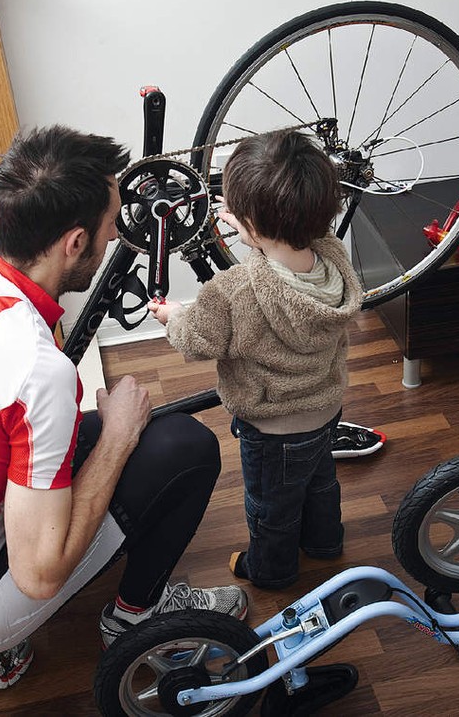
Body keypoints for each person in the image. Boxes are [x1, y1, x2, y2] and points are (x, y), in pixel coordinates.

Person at [0, 125, 247, 690]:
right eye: (111, 224)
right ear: (75, 243)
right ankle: (132, 619)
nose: (115, 236)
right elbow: (40, 575)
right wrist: (120, 435)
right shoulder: (34, 367)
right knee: (185, 446)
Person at [148, 129, 363, 589]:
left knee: (272, 507)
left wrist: (172, 316)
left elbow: (197, 342)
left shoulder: (233, 292)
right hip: (326, 407)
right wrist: (251, 222)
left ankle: (271, 570)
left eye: (234, 214)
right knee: (320, 483)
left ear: (250, 226)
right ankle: (325, 542)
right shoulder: (334, 258)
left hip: (274, 427)